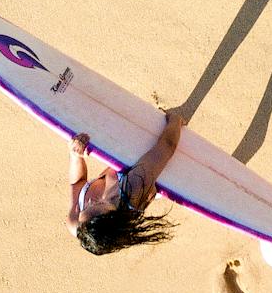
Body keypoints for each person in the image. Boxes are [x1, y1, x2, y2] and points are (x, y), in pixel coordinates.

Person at [66, 109, 184, 254]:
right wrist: (175, 119)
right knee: (154, 163)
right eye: (96, 204)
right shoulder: (134, 187)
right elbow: (167, 146)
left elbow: (77, 183)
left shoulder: (76, 223)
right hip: (151, 176)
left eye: (83, 209)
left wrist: (75, 156)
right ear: (112, 214)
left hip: (129, 173)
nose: (88, 202)